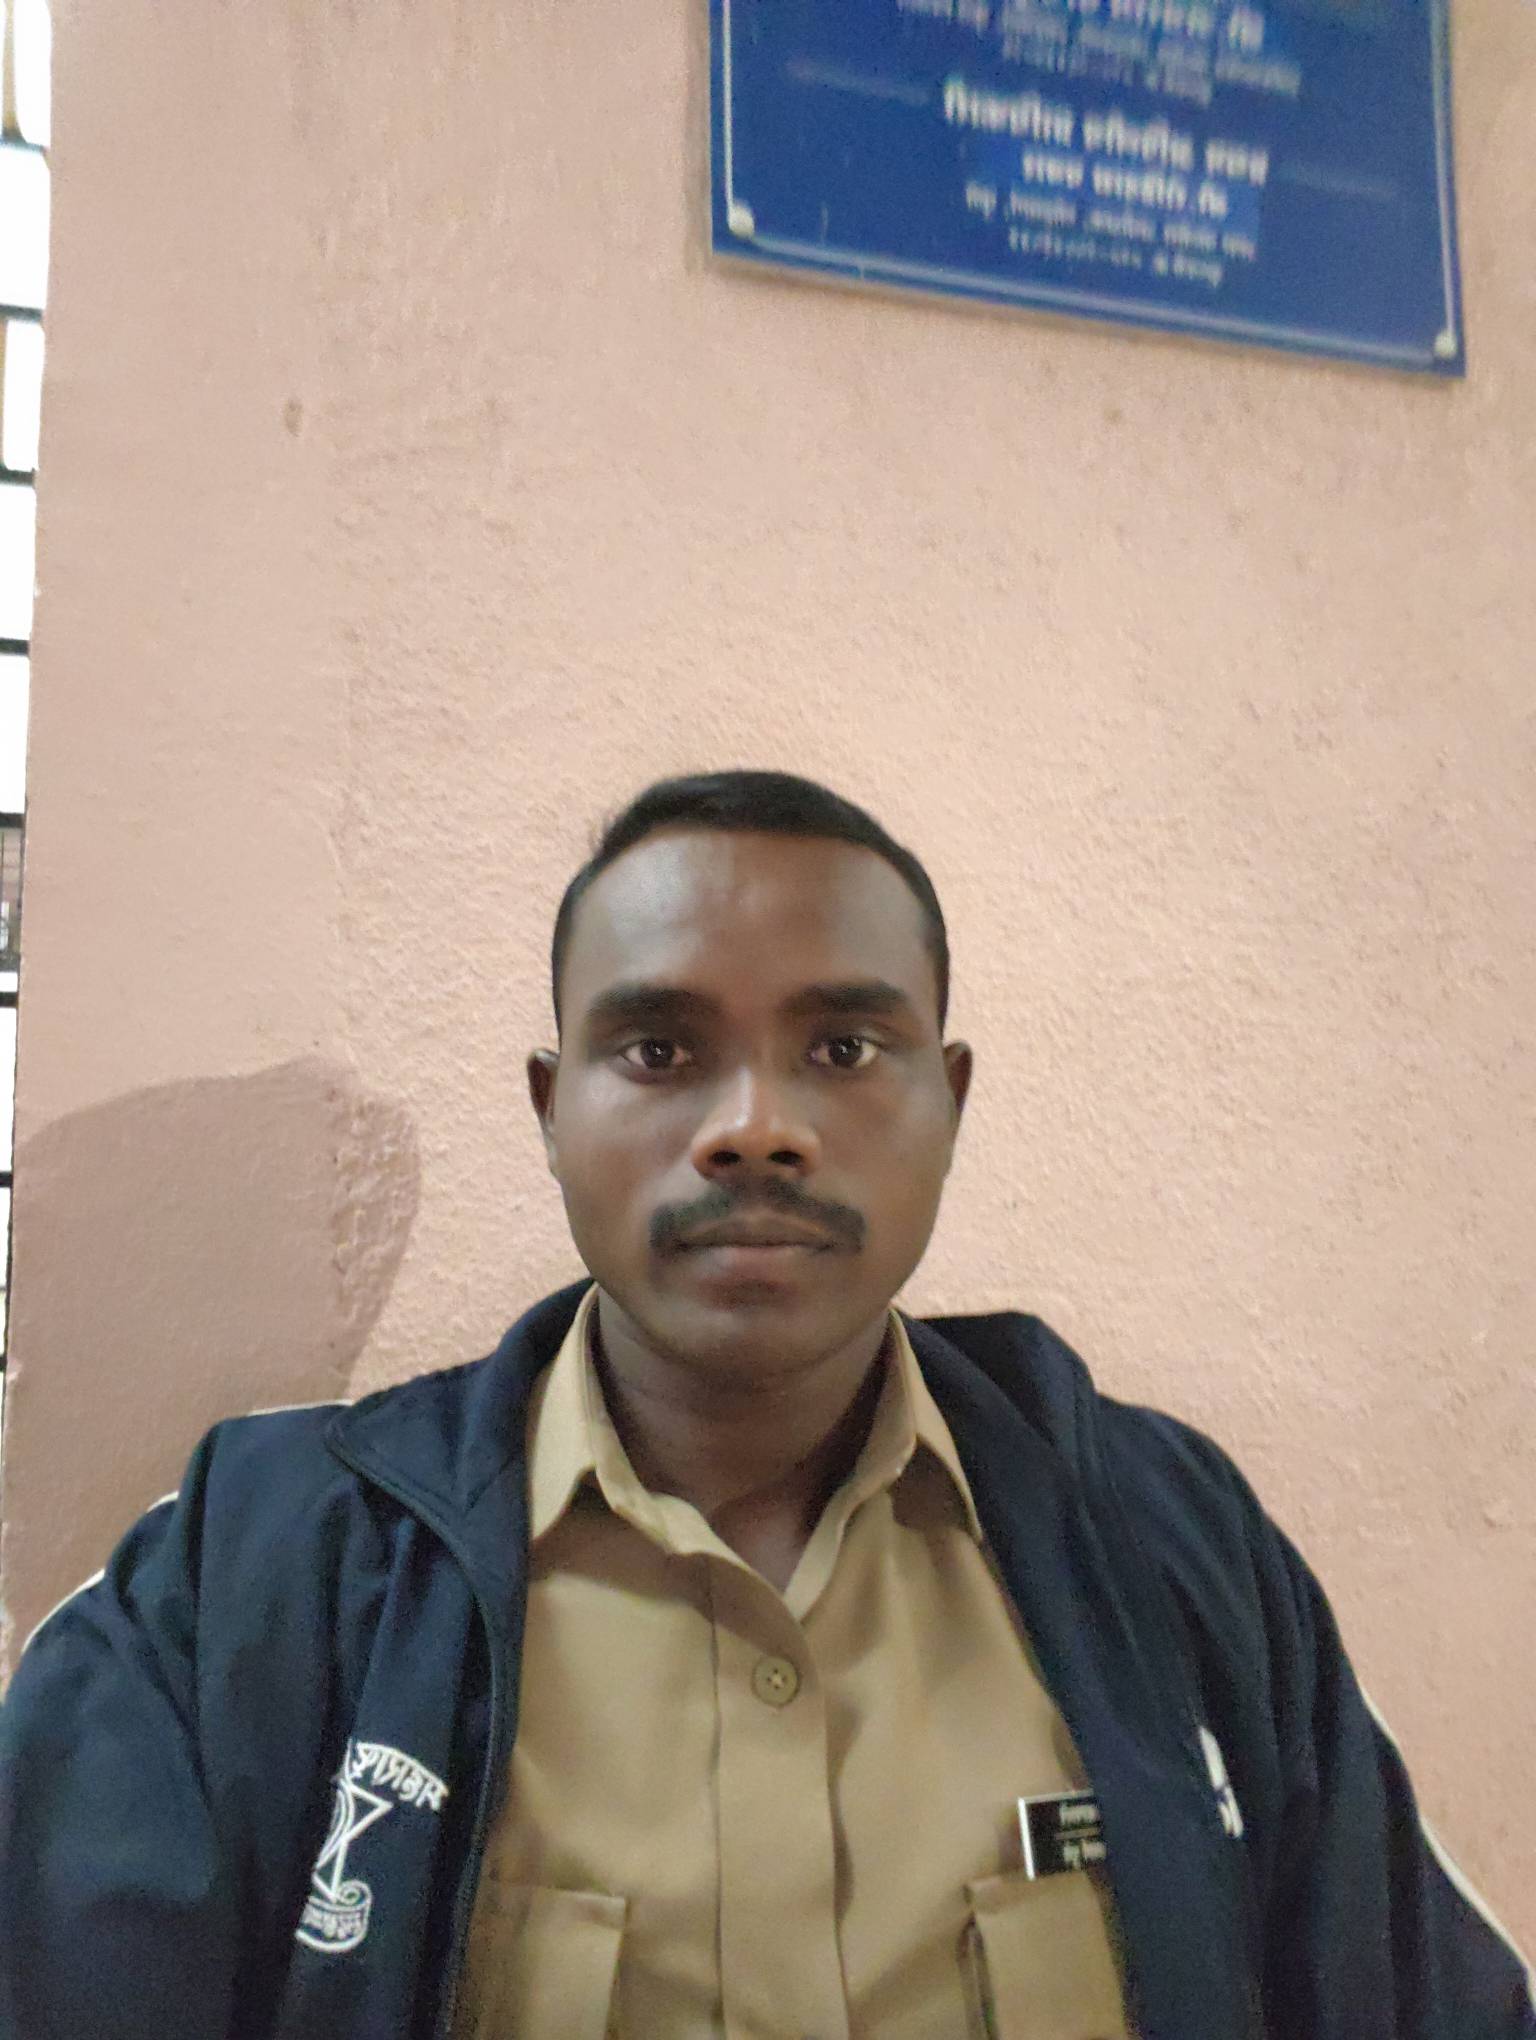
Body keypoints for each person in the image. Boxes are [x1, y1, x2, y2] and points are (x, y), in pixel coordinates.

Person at [1, 768, 1531, 2040]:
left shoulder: (1172, 1542)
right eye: (660, 1050)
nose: (754, 1129)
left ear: (950, 1101)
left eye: (844, 1049)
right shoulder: (247, 1580)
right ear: (551, 1108)